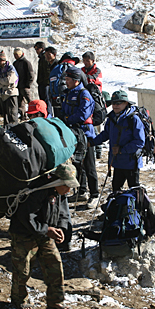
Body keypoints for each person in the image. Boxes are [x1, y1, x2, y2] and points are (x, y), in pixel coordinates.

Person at [9, 162, 78, 309]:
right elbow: (26, 217)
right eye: (67, 186)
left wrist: (60, 229)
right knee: (23, 270)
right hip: (24, 234)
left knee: (54, 264)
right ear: (58, 182)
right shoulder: (37, 191)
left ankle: (55, 301)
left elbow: (62, 213)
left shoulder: (60, 193)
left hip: (45, 234)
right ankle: (19, 299)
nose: (69, 190)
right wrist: (47, 230)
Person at [89, 90, 145, 193]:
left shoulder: (134, 119)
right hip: (117, 161)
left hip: (131, 162)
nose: (115, 105)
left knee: (134, 191)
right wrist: (92, 143)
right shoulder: (111, 118)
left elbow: (139, 142)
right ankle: (120, 209)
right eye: (113, 103)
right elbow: (105, 134)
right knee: (116, 190)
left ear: (126, 103)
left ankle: (137, 209)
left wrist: (121, 150)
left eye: (119, 103)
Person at [61, 66, 99, 209]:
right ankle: (81, 191)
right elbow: (64, 111)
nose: (66, 81)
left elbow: (82, 115)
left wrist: (67, 119)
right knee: (77, 164)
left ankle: (94, 194)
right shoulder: (68, 93)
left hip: (85, 135)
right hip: (73, 135)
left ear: (76, 81)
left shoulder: (84, 95)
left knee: (89, 166)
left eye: (68, 79)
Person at [81, 51, 104, 159]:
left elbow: (94, 79)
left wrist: (83, 77)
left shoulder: (97, 71)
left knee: (95, 126)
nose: (85, 63)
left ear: (93, 61)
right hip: (85, 101)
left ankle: (98, 149)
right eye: (84, 60)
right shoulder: (82, 70)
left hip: (95, 101)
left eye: (87, 60)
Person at [0, 51, 19, 126]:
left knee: (12, 114)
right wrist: (1, 83)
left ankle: (15, 129)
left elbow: (9, 80)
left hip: (10, 93)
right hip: (2, 94)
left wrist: (0, 81)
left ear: (2, 60)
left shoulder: (10, 68)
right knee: (5, 115)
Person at [13, 47, 35, 121]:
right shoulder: (15, 63)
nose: (15, 56)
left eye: (17, 54)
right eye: (14, 54)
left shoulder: (26, 63)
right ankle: (23, 116)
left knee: (30, 102)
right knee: (20, 103)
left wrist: (28, 85)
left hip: (25, 86)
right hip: (18, 86)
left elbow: (31, 75)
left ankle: (33, 115)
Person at [35, 42, 53, 117]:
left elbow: (47, 71)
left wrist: (46, 81)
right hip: (42, 83)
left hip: (46, 83)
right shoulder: (41, 58)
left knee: (47, 101)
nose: (36, 51)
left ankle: (48, 115)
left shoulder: (45, 58)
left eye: (37, 48)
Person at [44, 46, 59, 116]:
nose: (47, 57)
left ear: (54, 55)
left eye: (49, 55)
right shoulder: (49, 65)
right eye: (46, 55)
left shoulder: (58, 65)